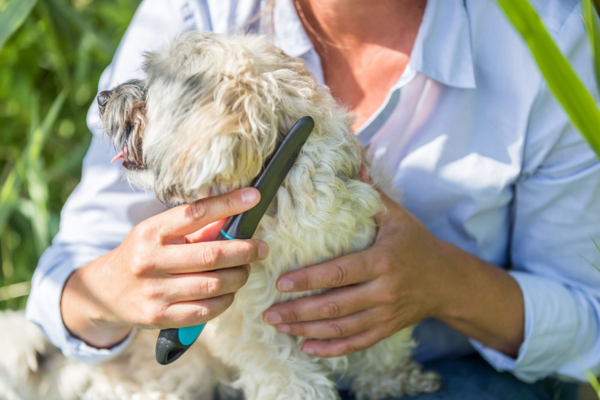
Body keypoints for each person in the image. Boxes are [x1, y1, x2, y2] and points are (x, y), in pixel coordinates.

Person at [25, 0, 600, 398]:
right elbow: (66, 284)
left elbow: (587, 324)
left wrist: (444, 284)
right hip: (221, 375)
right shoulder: (194, 13)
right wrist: (111, 289)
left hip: (456, 370)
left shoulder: (545, 37)